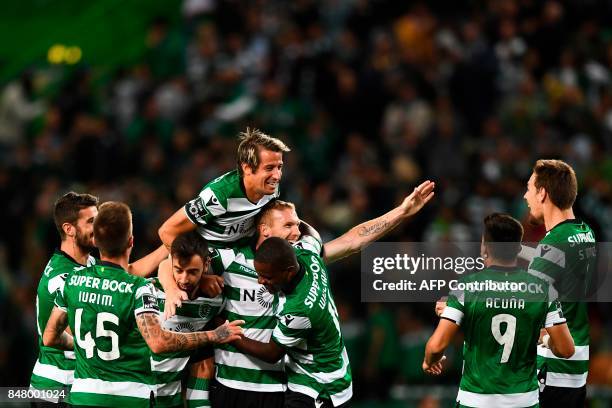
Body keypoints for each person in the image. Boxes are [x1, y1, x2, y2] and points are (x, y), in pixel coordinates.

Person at [160, 181, 435, 408]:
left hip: (279, 387)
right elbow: (170, 264)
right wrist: (178, 285)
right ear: (264, 231)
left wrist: (401, 212)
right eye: (289, 226)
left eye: (297, 225)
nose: (297, 231)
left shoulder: (301, 257)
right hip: (231, 386)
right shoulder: (229, 258)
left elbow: (355, 240)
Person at [43, 201, 243, 407]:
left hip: (83, 396)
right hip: (130, 397)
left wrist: (82, 346)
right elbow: (158, 343)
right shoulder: (139, 288)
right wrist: (214, 335)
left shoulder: (72, 281)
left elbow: (49, 337)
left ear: (96, 241)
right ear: (131, 241)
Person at [423, 213, 575, 408]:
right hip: (523, 401)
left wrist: (429, 361)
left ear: (485, 247)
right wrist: (543, 338)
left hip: (475, 400)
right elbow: (566, 349)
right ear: (519, 248)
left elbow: (436, 347)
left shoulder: (466, 288)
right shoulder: (543, 290)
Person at [30, 192, 168, 405]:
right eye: (91, 222)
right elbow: (79, 333)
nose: (99, 227)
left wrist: (168, 246)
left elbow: (127, 273)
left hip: (74, 383)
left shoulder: (87, 265)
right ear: (69, 229)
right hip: (56, 385)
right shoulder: (62, 277)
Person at [522, 159, 596, 407]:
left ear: (543, 193)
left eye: (530, 189)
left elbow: (524, 307)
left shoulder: (553, 244)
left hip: (552, 366)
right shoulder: (584, 231)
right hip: (576, 367)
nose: (525, 196)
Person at [159, 128, 291, 247]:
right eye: (269, 168)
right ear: (247, 168)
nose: (277, 176)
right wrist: (197, 269)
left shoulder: (271, 188)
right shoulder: (218, 195)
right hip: (212, 254)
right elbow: (167, 230)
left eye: (279, 167)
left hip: (244, 250)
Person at [150, 231, 223, 408]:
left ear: (206, 265)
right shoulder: (148, 292)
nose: (184, 279)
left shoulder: (215, 302)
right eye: (178, 270)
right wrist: (169, 288)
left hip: (171, 398)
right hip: (136, 394)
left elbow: (203, 359)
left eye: (192, 272)